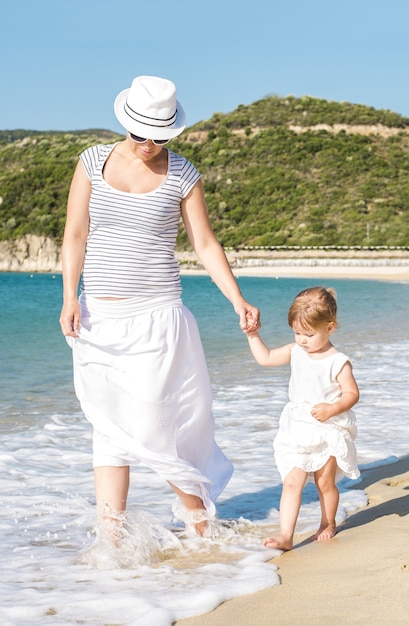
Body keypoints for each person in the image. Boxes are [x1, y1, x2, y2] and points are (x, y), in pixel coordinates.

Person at [59, 75, 260, 537]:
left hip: (157, 317)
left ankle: (200, 525)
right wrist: (70, 296)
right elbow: (75, 234)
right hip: (97, 318)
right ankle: (111, 542)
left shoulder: (184, 174)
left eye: (160, 135)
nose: (149, 144)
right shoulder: (91, 161)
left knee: (154, 424)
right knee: (108, 431)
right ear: (125, 122)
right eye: (140, 133)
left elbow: (205, 243)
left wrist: (237, 299)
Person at [247, 286, 360, 550]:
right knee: (292, 481)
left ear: (329, 328)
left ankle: (327, 522)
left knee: (324, 482)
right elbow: (265, 358)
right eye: (297, 333)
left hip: (328, 427)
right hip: (297, 427)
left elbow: (352, 393)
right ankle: (286, 535)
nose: (302, 340)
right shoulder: (295, 350)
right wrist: (253, 335)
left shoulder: (338, 361)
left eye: (308, 334)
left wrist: (332, 409)